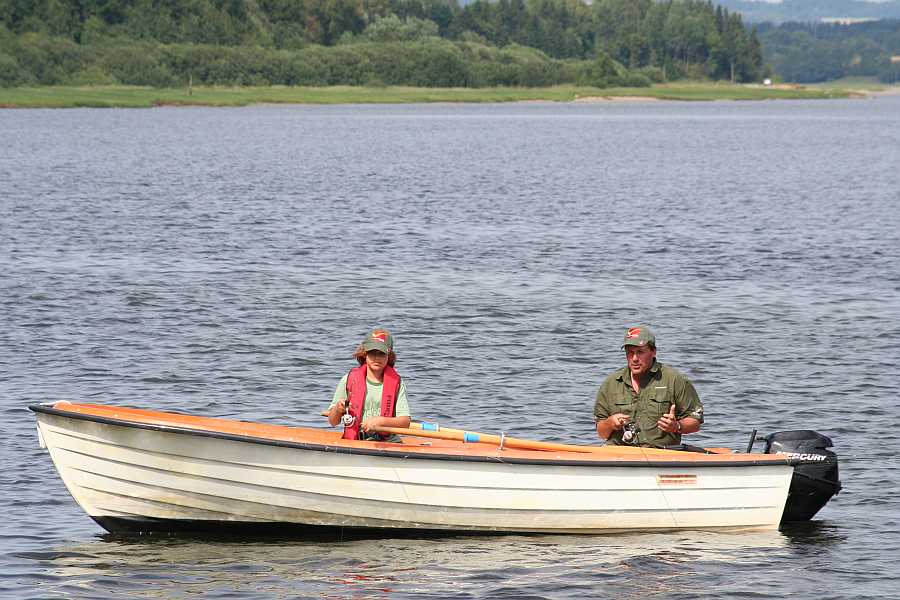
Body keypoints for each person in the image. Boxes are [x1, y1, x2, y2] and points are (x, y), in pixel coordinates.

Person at [593, 325, 703, 448]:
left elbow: (695, 422)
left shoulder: (674, 380)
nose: (634, 358)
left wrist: (677, 426)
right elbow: (601, 432)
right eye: (630, 353)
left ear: (653, 352)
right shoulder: (611, 383)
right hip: (619, 454)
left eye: (640, 352)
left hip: (661, 454)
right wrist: (610, 423)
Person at [326, 328, 411, 441]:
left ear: (389, 355)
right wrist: (338, 409)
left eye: (381, 354)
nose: (377, 358)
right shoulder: (348, 380)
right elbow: (332, 421)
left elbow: (405, 422)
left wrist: (380, 421)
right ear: (365, 354)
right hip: (356, 441)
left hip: (388, 442)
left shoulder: (398, 384)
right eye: (372, 353)